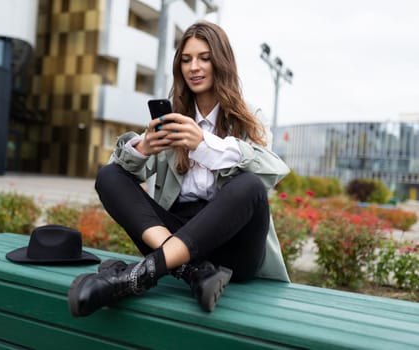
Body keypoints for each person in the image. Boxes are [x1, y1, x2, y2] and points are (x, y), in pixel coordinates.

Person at [68, 21, 290, 318]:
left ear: (221, 62)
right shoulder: (173, 119)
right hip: (176, 235)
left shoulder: (250, 117)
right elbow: (122, 180)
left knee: (249, 186)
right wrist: (142, 149)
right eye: (186, 60)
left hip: (234, 250)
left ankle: (137, 276)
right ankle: (193, 271)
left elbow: (271, 173)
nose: (194, 67)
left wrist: (205, 145)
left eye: (204, 57)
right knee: (109, 175)